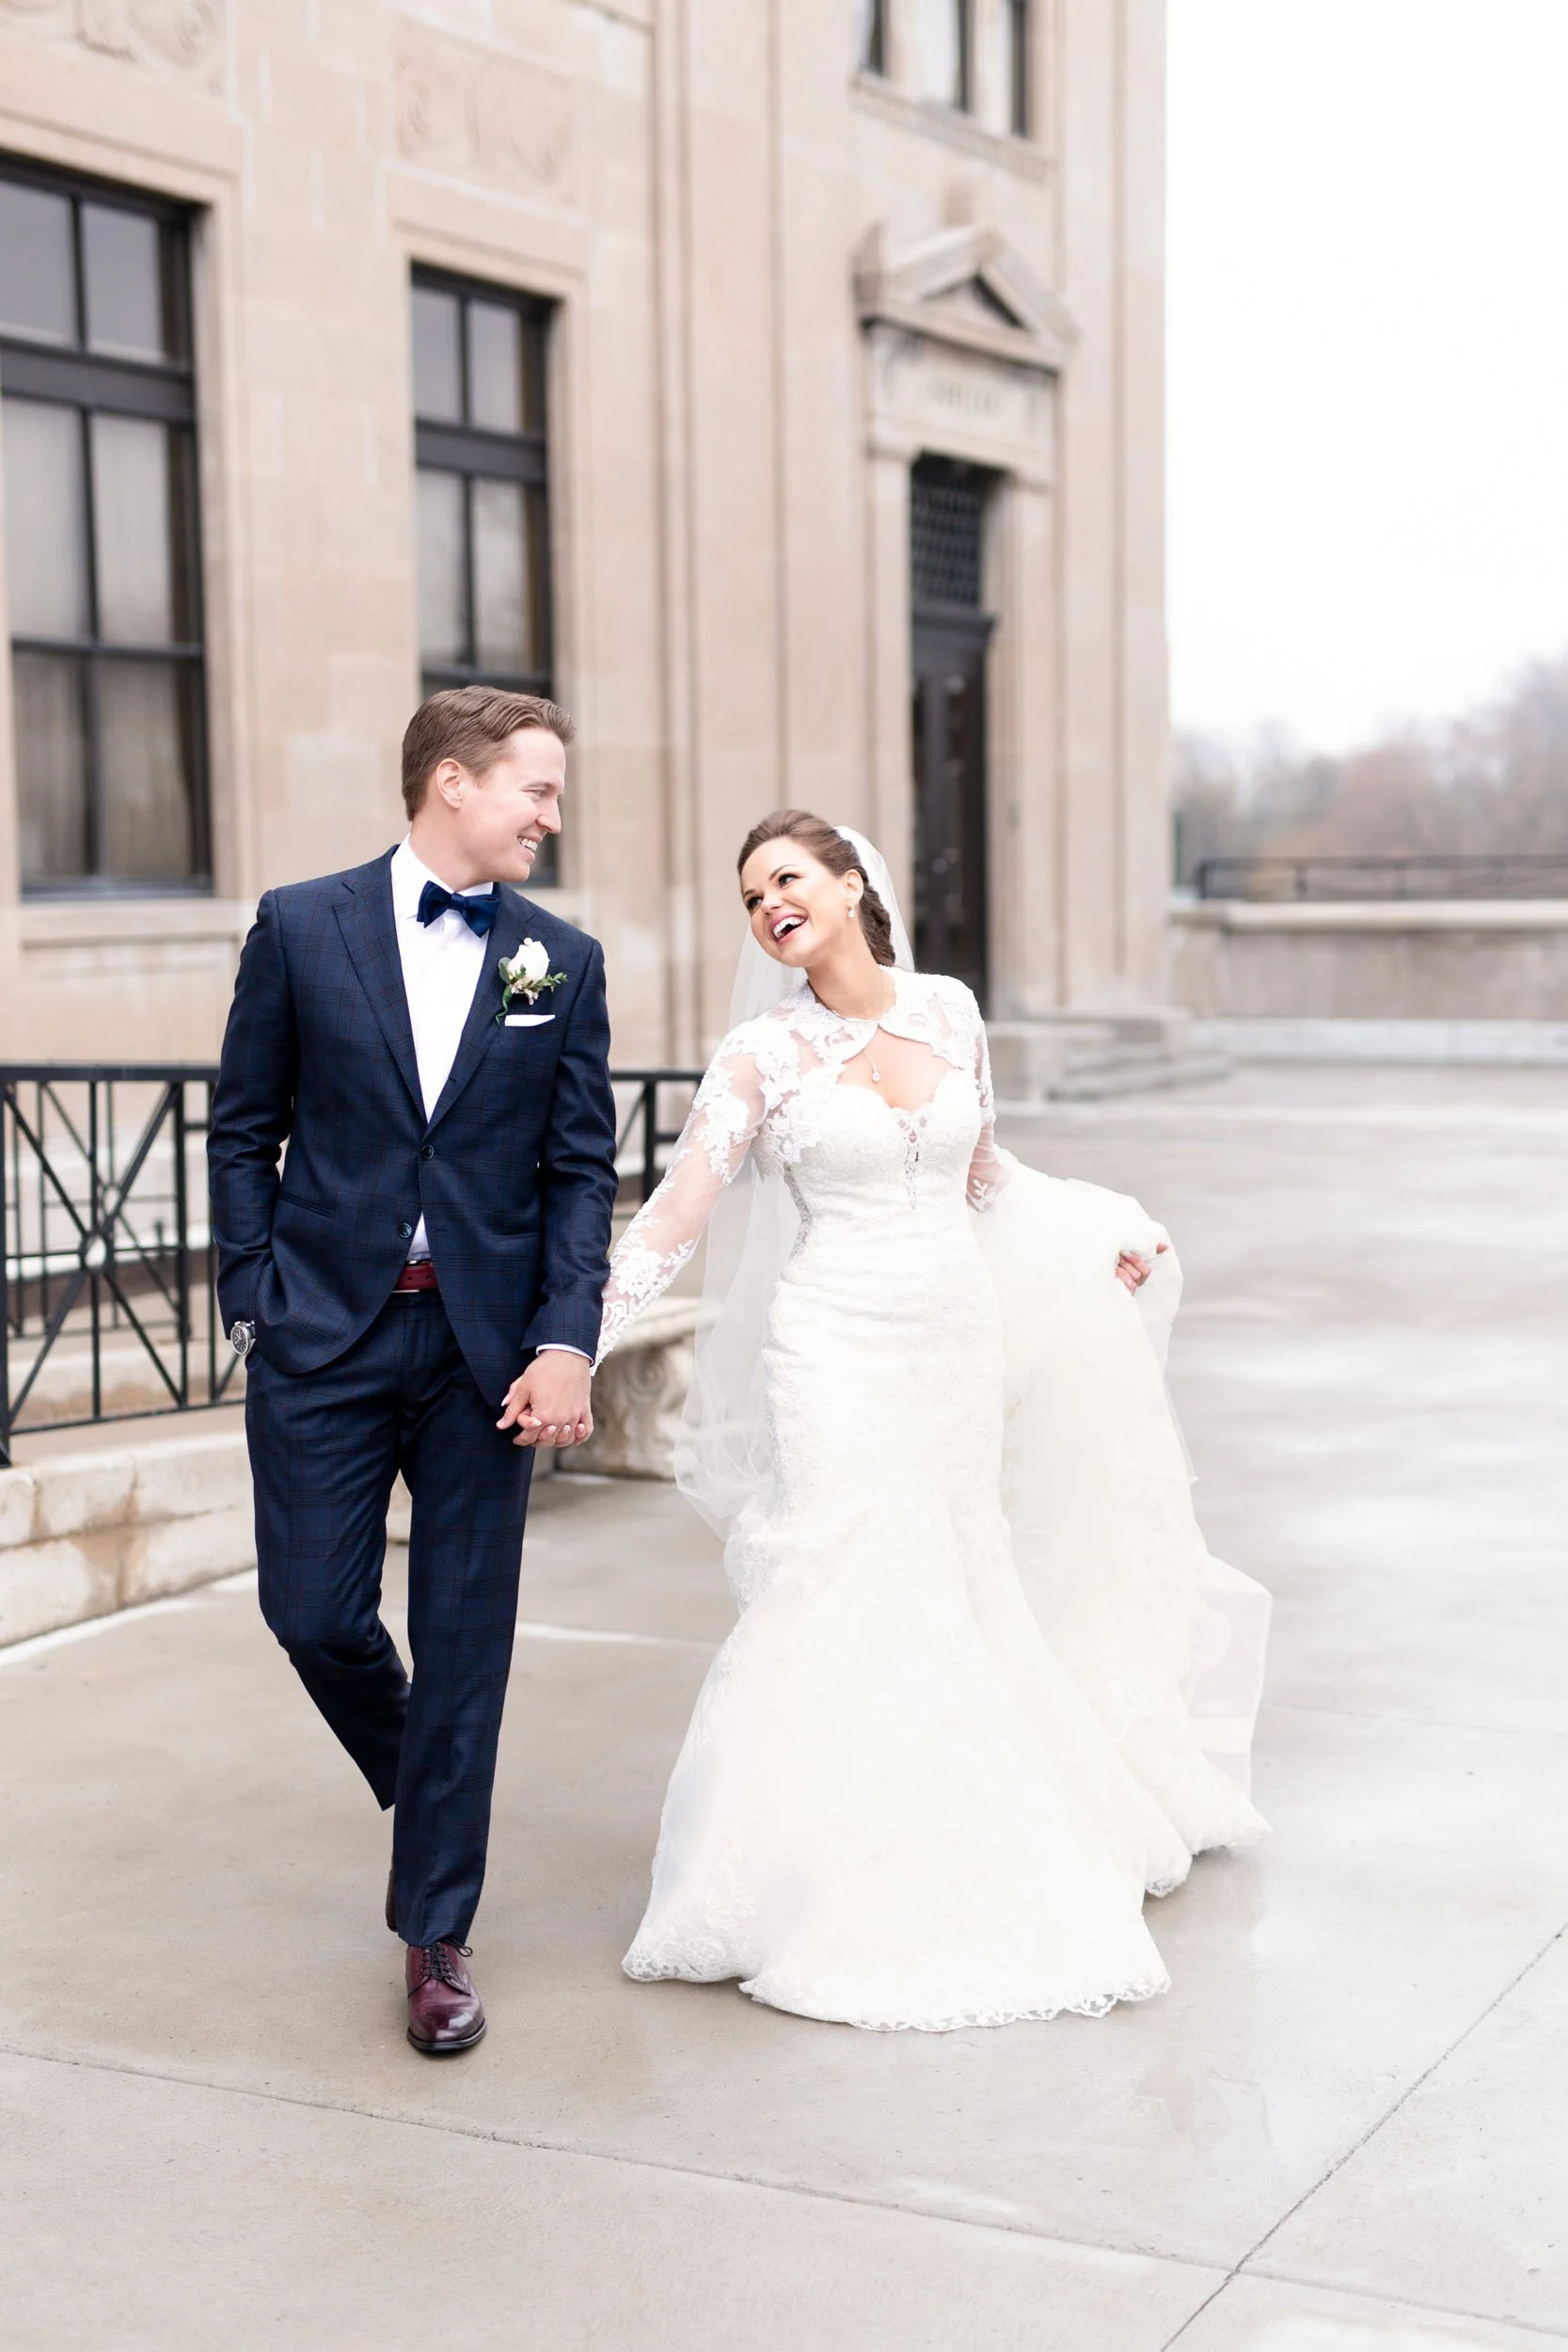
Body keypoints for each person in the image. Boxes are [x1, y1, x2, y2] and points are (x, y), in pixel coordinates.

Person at [595, 811, 1269, 2033]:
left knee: (958, 1574)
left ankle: (975, 1824)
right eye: (749, 897)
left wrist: (1100, 1241)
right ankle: (821, 1877)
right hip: (833, 1347)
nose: (767, 907)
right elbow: (679, 1209)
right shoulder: (758, 1055)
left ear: (851, 885)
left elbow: (988, 1182)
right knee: (846, 1575)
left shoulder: (949, 1011)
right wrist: (579, 1328)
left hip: (952, 1335)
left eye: (786, 880)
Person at [209, 687, 618, 2056]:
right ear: (454, 782)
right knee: (313, 1613)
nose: (552, 817)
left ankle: (432, 1934)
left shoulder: (558, 960)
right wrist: (253, 1291)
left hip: (484, 1351)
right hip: (325, 1331)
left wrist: (566, 1340)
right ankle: (429, 1782)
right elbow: (242, 1126)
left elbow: (577, 1175)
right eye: (536, 790)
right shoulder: (300, 925)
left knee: (464, 1642)